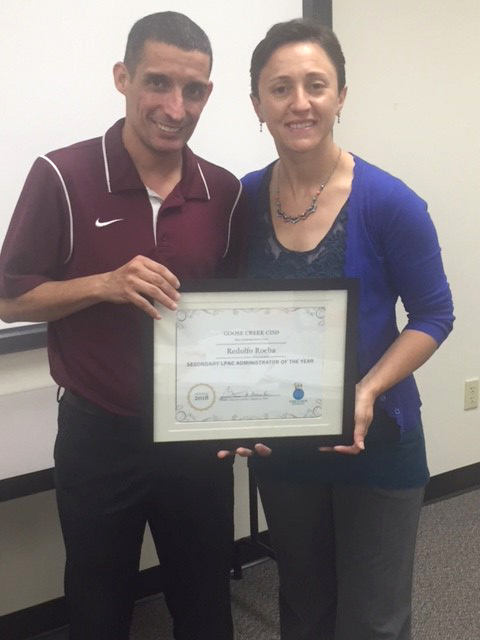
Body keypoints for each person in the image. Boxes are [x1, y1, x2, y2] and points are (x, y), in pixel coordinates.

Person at [0, 12, 246, 640]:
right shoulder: (61, 173)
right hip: (98, 434)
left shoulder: (222, 190)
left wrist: (252, 409)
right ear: (123, 78)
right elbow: (9, 298)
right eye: (157, 83)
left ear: (208, 94)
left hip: (196, 432)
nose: (174, 106)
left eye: (193, 90)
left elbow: (237, 316)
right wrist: (104, 284)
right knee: (99, 600)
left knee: (204, 598)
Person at [219, 18, 454, 640]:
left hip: (376, 447)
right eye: (280, 88)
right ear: (256, 105)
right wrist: (230, 406)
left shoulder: (389, 202)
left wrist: (368, 389)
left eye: (316, 85)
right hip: (285, 450)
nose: (300, 102)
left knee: (372, 622)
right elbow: (230, 321)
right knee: (303, 609)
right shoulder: (241, 203)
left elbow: (434, 314)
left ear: (341, 96)